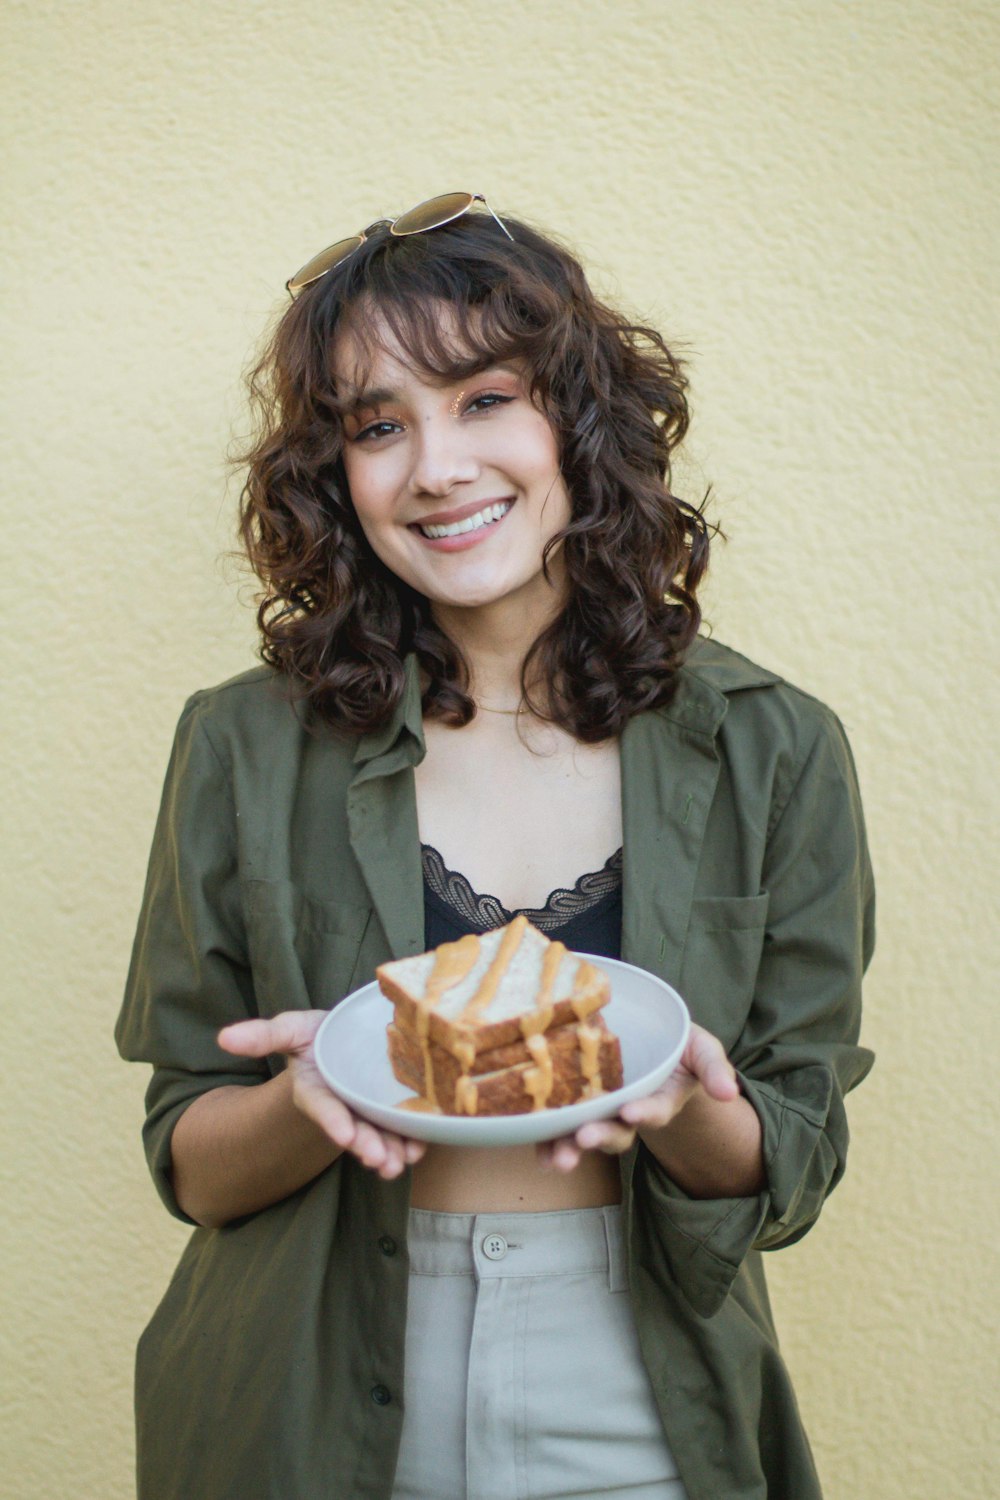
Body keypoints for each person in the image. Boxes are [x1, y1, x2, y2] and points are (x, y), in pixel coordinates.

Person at [116, 194, 875, 1500]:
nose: (437, 468)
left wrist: (686, 1104)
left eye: (483, 399)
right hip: (299, 1397)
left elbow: (788, 1164)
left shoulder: (775, 746)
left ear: (576, 418)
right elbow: (188, 1152)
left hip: (639, 1384)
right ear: (336, 475)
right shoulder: (239, 744)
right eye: (376, 425)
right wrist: (316, 1099)